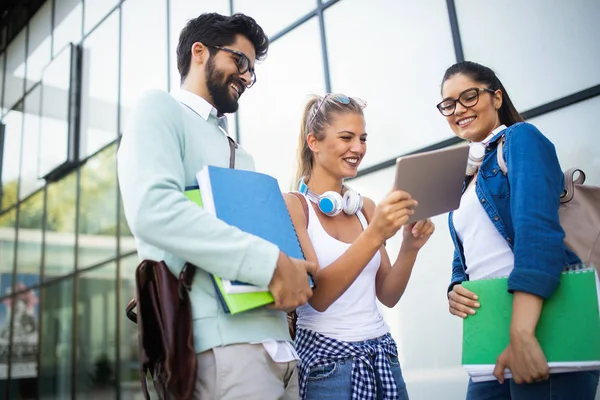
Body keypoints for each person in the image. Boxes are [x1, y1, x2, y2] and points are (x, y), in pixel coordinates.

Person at [117, 12, 316, 399]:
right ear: (199, 52)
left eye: (252, 71)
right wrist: (272, 263)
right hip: (223, 352)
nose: (246, 76)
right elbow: (154, 210)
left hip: (283, 351)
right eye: (239, 61)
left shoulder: (240, 154)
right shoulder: (159, 108)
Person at [438, 61, 600, 399]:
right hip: (490, 334)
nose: (459, 110)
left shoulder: (521, 139)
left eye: (469, 96)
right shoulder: (467, 177)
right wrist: (456, 287)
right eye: (449, 104)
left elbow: (537, 235)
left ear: (496, 97)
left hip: (538, 324)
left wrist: (522, 332)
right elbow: (467, 253)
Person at [284, 93, 435, 399]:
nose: (358, 148)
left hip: (383, 357)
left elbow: (388, 295)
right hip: (328, 367)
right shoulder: (293, 206)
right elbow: (319, 297)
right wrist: (375, 234)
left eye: (363, 138)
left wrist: (410, 246)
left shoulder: (363, 207)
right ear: (313, 142)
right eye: (347, 137)